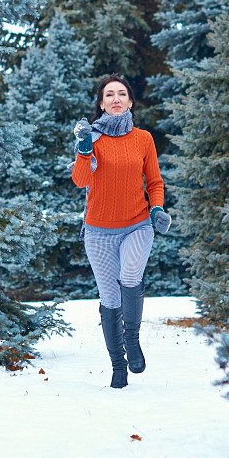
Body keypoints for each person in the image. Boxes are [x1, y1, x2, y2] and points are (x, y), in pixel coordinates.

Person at [71, 74, 172, 389]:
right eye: (109, 95)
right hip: (99, 231)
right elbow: (80, 180)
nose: (116, 99)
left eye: (122, 94)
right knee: (110, 297)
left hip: (137, 224)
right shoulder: (92, 138)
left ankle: (132, 339)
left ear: (130, 102)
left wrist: (156, 209)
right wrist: (84, 149)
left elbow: (154, 182)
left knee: (130, 276)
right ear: (101, 104)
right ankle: (118, 366)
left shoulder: (143, 139)